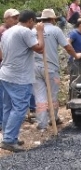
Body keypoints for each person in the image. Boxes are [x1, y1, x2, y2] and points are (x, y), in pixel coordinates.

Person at [0, 10, 45, 152]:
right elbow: (39, 48)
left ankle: (9, 136)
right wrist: (40, 32)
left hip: (6, 74)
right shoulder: (25, 32)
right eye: (34, 23)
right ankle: (8, 139)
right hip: (19, 77)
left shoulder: (8, 31)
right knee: (20, 108)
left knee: (8, 107)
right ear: (31, 21)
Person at [33, 9, 81, 130]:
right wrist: (76, 55)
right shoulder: (55, 30)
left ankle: (41, 124)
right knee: (52, 94)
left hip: (35, 68)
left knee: (39, 95)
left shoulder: (34, 30)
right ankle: (53, 118)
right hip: (50, 68)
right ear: (53, 19)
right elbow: (67, 46)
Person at [0, 9, 20, 128]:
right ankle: (3, 122)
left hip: (7, 66)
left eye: (17, 17)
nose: (16, 20)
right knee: (3, 96)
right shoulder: (3, 31)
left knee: (6, 97)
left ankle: (5, 122)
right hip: (4, 66)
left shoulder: (11, 31)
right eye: (13, 18)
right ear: (6, 19)